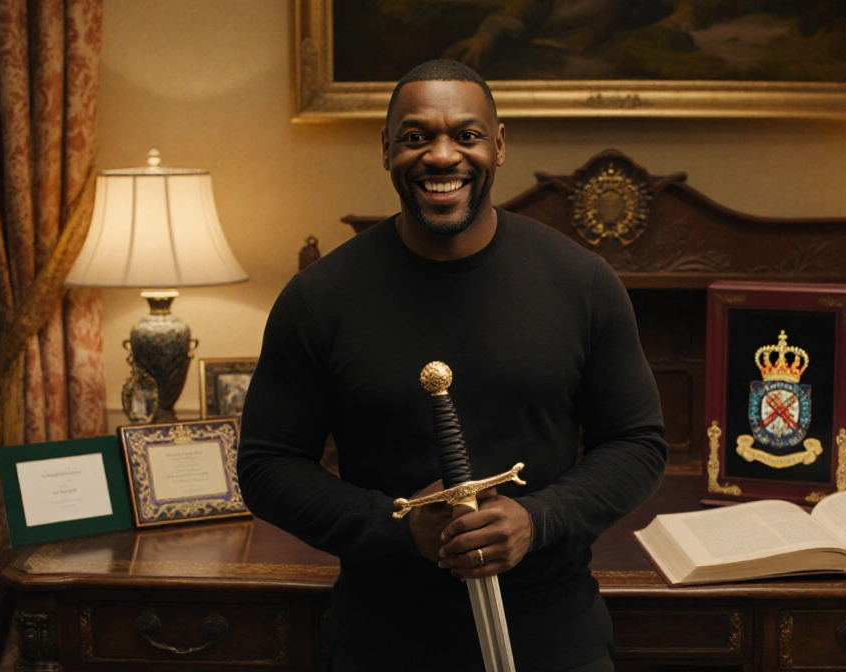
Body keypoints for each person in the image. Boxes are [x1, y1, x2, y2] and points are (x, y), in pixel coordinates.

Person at [237, 59, 667, 672]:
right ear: (386, 149)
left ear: (498, 144)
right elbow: (266, 466)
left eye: (466, 135)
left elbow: (637, 444)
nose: (442, 157)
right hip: (383, 639)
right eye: (416, 137)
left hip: (552, 635)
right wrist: (396, 527)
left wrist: (537, 520)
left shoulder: (581, 283)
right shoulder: (319, 298)